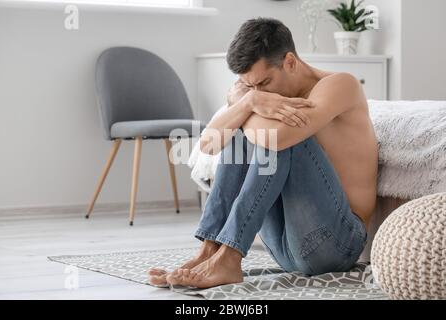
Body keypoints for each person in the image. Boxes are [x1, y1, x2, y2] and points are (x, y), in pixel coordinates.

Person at [148, 17, 378, 289]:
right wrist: (248, 102)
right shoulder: (254, 97)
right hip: (284, 246)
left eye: (264, 82)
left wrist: (244, 104)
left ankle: (231, 256)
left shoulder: (340, 85)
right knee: (242, 135)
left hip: (337, 244)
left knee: (279, 137)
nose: (260, 93)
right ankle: (211, 250)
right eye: (250, 86)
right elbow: (208, 145)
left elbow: (279, 138)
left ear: (290, 62)